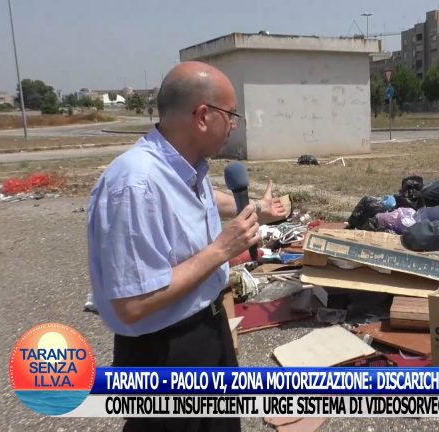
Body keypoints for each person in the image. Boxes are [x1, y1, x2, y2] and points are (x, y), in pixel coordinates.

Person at [87, 61, 287, 432]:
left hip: (209, 330)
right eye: (231, 115)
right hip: (164, 352)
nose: (234, 125)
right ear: (203, 116)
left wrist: (256, 207)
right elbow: (132, 305)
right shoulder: (135, 185)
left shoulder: (188, 169)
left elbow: (208, 199)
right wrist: (222, 249)